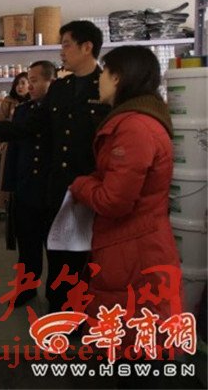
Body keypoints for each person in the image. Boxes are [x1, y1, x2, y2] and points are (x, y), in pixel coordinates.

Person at [0, 21, 111, 312]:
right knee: (56, 252)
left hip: (89, 186)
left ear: (87, 47)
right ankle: (56, 307)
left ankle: (74, 311)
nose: (62, 51)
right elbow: (32, 126)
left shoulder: (107, 85)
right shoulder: (61, 89)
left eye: (66, 45)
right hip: (56, 185)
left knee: (80, 256)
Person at [69, 46, 182, 354]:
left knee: (136, 349)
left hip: (134, 251)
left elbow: (113, 201)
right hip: (131, 245)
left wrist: (81, 185)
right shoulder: (138, 119)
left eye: (104, 73)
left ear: (118, 77)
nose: (99, 80)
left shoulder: (134, 127)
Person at [5, 61, 56, 305]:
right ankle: (26, 289)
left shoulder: (60, 111)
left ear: (50, 82)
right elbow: (14, 150)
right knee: (27, 245)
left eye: (35, 81)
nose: (29, 86)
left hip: (51, 191)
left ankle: (56, 295)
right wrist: (10, 185)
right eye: (29, 80)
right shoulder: (23, 111)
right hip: (26, 188)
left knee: (55, 249)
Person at [0, 72, 29, 214]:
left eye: (23, 83)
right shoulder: (8, 101)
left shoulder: (33, 102)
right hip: (10, 144)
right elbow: (0, 123)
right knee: (8, 176)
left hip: (27, 147)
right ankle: (5, 207)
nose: (19, 87)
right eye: (17, 84)